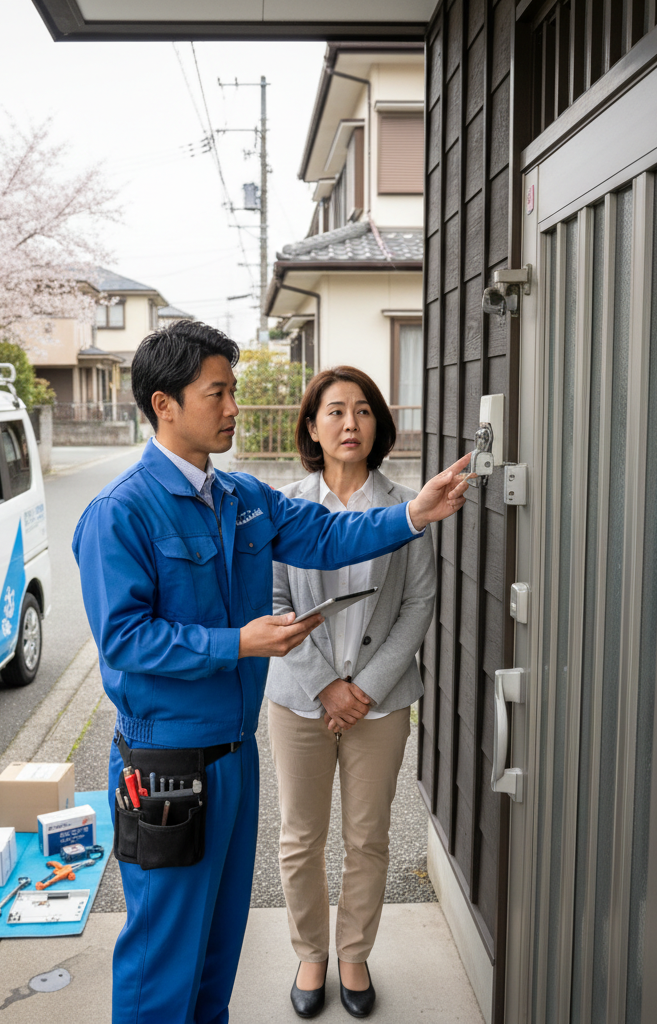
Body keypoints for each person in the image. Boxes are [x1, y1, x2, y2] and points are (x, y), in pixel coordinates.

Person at [72, 321, 472, 1024]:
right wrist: (238, 644)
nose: (233, 408)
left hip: (236, 753)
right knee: (162, 959)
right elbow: (126, 641)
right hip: (165, 762)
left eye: (231, 392)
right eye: (217, 393)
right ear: (165, 404)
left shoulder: (243, 498)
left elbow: (327, 534)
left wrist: (412, 512)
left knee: (217, 953)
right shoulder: (120, 512)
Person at [265, 367, 436, 1019]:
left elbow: (420, 601)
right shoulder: (285, 507)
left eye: (363, 410)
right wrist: (324, 685)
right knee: (300, 835)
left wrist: (360, 688)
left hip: (381, 702)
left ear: (378, 426)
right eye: (334, 411)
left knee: (367, 836)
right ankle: (311, 952)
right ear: (311, 425)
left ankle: (354, 953)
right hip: (298, 700)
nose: (349, 423)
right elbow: (272, 600)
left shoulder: (406, 504)